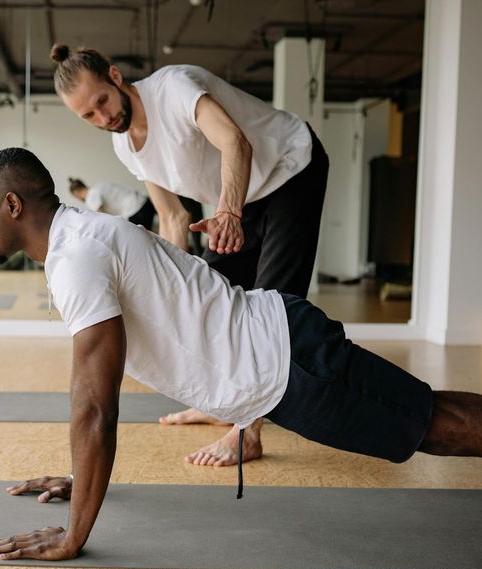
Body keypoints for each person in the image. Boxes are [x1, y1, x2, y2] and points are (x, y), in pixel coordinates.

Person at [0, 147, 482, 562]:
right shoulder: (79, 241)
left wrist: (72, 535)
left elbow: (95, 409)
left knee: (433, 424)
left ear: (12, 205)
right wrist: (83, 482)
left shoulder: (76, 256)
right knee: (427, 416)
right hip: (282, 351)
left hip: (289, 365)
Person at [51, 44, 330, 466]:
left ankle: (247, 433)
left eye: (103, 101)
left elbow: (236, 142)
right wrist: (171, 294)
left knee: (274, 303)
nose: (103, 117)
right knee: (211, 302)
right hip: (239, 197)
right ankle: (226, 404)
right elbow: (173, 217)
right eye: (88, 115)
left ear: (114, 76)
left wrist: (228, 213)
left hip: (290, 168)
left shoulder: (174, 88)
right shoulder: (125, 147)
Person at [68, 177, 205, 253]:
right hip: (144, 201)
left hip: (135, 211)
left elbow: (102, 218)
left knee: (144, 244)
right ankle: (193, 246)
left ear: (76, 194)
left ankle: (183, 253)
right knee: (169, 224)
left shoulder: (91, 196)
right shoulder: (101, 185)